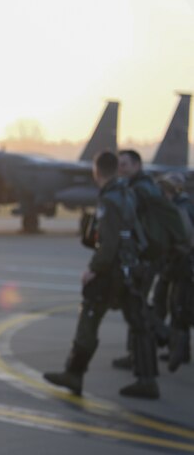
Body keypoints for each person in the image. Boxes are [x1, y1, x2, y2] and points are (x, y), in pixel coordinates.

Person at [44, 151, 159, 399]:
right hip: (131, 267)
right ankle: (147, 380)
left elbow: (108, 244)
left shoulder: (109, 200)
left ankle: (74, 374)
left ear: (97, 172)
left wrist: (93, 269)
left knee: (89, 317)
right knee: (140, 325)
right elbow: (135, 233)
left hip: (112, 271)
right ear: (116, 169)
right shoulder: (128, 193)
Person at [112, 149, 186, 369]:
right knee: (137, 304)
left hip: (145, 256)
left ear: (137, 165)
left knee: (137, 305)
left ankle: (165, 338)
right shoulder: (144, 187)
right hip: (148, 254)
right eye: (119, 165)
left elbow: (133, 222)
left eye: (124, 164)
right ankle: (138, 354)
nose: (120, 169)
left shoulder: (140, 190)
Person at [157, 172, 193, 371]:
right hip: (180, 264)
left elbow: (185, 241)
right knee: (179, 306)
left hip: (182, 265)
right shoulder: (181, 206)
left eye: (166, 189)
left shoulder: (181, 209)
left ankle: (178, 351)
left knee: (179, 307)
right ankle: (180, 351)